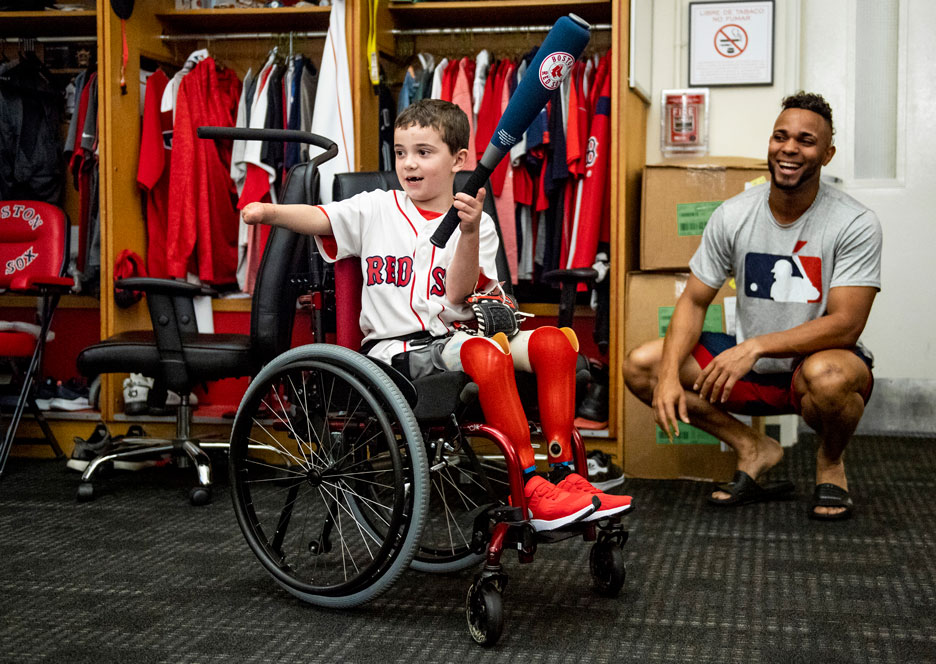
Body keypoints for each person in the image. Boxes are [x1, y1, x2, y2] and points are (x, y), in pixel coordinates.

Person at [242, 99, 632, 531]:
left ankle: (564, 474)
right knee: (484, 353)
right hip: (396, 352)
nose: (409, 163)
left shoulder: (476, 222)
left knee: (555, 342)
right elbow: (317, 217)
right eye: (401, 152)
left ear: (459, 160)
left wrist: (466, 232)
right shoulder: (375, 207)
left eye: (424, 152)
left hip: (457, 336)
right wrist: (269, 212)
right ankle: (529, 485)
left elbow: (460, 293)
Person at [623, 92, 881, 521]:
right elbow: (693, 300)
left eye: (806, 140)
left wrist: (756, 346)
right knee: (642, 366)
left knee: (830, 377)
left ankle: (830, 462)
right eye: (781, 136)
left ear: (827, 153)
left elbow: (846, 324)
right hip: (745, 370)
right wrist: (668, 377)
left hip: (810, 369)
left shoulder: (853, 223)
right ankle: (753, 448)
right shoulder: (732, 215)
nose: (790, 148)